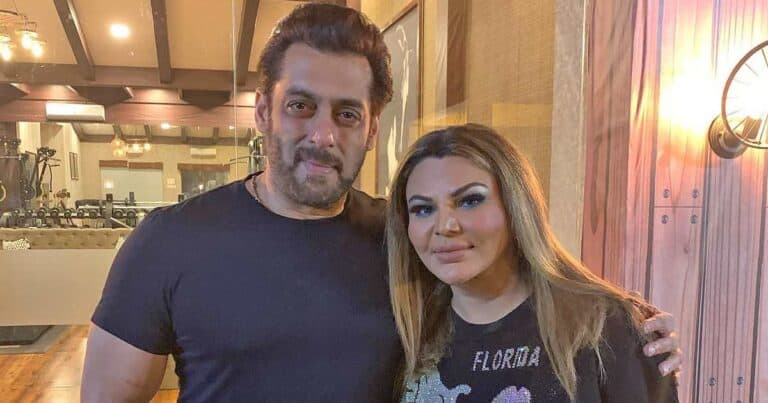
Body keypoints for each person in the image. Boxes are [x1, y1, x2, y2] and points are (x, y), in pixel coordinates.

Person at [81, 4, 682, 402]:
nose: (323, 134)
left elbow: (509, 281)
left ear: (371, 129)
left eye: (347, 114)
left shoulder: (402, 240)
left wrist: (622, 328)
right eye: (300, 106)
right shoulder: (169, 242)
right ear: (263, 111)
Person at [386, 124, 679, 402]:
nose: (445, 226)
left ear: (515, 205)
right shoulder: (405, 336)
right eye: (422, 209)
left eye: (470, 201)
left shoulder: (604, 326)